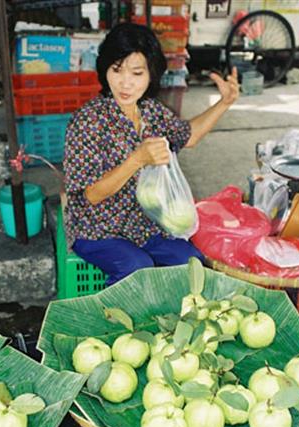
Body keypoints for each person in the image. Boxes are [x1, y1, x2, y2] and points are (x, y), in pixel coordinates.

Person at [63, 22, 239, 286]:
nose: (125, 83)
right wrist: (137, 159)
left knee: (191, 263)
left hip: (144, 224)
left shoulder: (151, 112)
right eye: (116, 70)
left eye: (136, 73)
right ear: (105, 70)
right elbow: (92, 194)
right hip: (96, 229)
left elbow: (187, 136)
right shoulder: (88, 121)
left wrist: (224, 103)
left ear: (150, 75)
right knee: (137, 267)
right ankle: (109, 323)